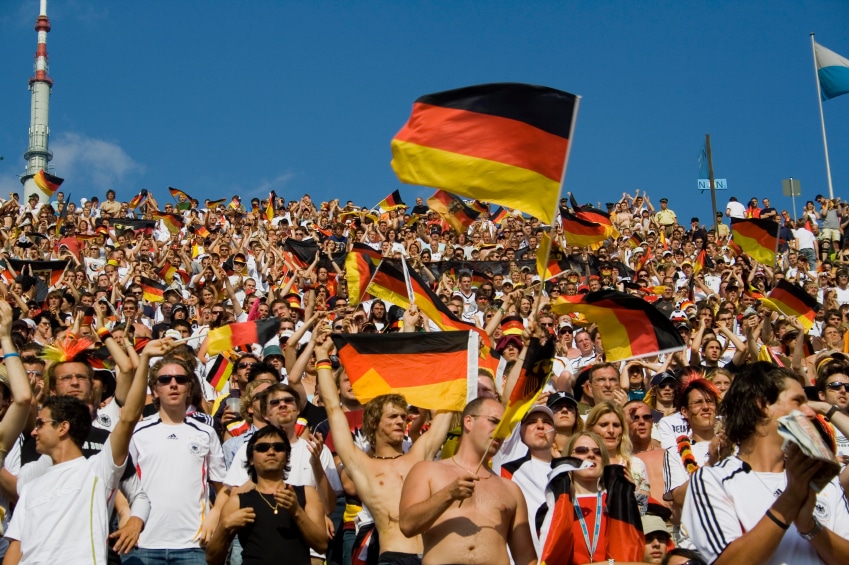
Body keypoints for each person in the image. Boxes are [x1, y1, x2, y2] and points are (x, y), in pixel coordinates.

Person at [4, 338, 167, 564]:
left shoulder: (97, 466)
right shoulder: (32, 476)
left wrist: (132, 517)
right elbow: (17, 543)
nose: (75, 383)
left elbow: (129, 417)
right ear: (52, 387)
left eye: (81, 377)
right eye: (67, 378)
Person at [682, 362, 849, 564]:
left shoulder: (823, 482)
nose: (811, 413)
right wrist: (791, 499)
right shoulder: (713, 480)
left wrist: (809, 526)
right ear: (761, 405)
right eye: (798, 402)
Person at [314, 334, 455, 564]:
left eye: (402, 416)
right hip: (393, 556)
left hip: (432, 556)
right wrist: (322, 357)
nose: (400, 421)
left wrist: (454, 360)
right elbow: (332, 408)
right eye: (392, 417)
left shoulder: (418, 456)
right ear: (373, 423)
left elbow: (446, 410)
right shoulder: (363, 465)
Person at [399, 398, 537, 565]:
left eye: (504, 428)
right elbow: (407, 525)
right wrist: (448, 494)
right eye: (493, 421)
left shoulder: (511, 489)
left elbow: (525, 556)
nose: (499, 431)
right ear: (469, 422)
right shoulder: (427, 471)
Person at [123, 354, 227, 565]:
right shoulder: (137, 432)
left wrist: (215, 515)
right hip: (142, 543)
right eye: (165, 380)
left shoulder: (206, 432)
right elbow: (117, 478)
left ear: (189, 389)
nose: (173, 384)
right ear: (154, 390)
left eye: (180, 380)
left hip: (193, 545)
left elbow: (223, 487)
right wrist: (126, 514)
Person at [206, 426, 328, 565]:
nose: (271, 452)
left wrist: (297, 512)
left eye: (278, 447)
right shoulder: (238, 501)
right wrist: (224, 527)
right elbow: (212, 558)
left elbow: (321, 545)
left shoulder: (306, 493)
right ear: (251, 459)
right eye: (263, 447)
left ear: (287, 457)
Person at [536, 431, 645, 564]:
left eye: (597, 452)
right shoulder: (554, 506)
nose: (591, 455)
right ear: (569, 459)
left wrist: (631, 497)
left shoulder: (618, 502)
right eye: (582, 450)